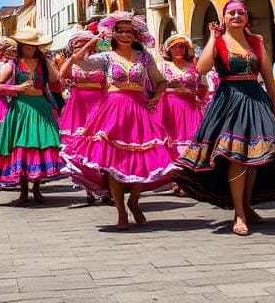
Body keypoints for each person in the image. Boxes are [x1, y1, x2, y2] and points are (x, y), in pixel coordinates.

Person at [174, 0, 275, 237]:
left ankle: (246, 206)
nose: (236, 16)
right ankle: (239, 213)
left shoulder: (256, 41)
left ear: (246, 17)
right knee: (236, 156)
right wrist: (213, 36)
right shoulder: (219, 41)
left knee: (255, 155)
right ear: (223, 18)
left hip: (256, 100)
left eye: (240, 12)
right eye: (231, 13)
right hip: (229, 101)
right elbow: (202, 68)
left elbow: (267, 76)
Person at [64, 12, 176, 230]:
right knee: (114, 163)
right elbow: (79, 60)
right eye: (120, 31)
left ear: (135, 34)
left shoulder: (144, 57)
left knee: (141, 161)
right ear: (113, 34)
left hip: (139, 111)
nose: (125, 35)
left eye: (129, 31)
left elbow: (161, 81)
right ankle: (121, 211)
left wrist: (155, 98)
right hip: (113, 112)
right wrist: (96, 38)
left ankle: (133, 200)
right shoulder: (106, 57)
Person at [0, 28, 66, 203]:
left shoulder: (43, 63)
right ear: (21, 46)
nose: (30, 49)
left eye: (33, 46)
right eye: (27, 46)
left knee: (40, 145)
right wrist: (16, 88)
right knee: (20, 146)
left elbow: (54, 79)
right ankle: (23, 191)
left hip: (41, 107)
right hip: (21, 109)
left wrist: (46, 59)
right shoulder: (12, 65)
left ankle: (36, 188)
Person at [56, 30, 108, 204]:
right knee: (79, 147)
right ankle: (88, 189)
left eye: (83, 43)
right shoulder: (72, 63)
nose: (79, 47)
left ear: (92, 45)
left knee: (100, 145)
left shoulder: (101, 61)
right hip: (78, 106)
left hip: (98, 104)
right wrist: (79, 52)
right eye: (76, 44)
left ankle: (106, 186)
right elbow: (62, 74)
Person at [155, 34, 206, 156]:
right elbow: (153, 88)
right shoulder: (161, 67)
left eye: (182, 46)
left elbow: (204, 90)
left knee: (192, 143)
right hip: (168, 109)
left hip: (189, 109)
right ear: (169, 49)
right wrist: (166, 86)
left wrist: (191, 92)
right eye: (175, 47)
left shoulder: (196, 68)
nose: (178, 49)